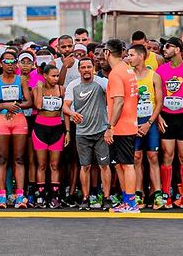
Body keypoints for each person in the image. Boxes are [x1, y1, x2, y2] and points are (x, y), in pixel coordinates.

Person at [64, 57, 112, 210]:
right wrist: (72, 113)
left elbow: (114, 97)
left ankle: (106, 197)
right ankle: (85, 198)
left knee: (104, 165)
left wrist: (110, 124)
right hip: (82, 133)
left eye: (88, 67)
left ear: (93, 68)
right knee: (85, 166)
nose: (86, 70)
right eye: (83, 67)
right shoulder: (73, 85)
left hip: (101, 132)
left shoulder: (102, 82)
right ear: (79, 70)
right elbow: (65, 106)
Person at [0, 48, 32, 208]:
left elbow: (29, 101)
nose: (10, 65)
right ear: (1, 63)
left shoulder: (20, 80)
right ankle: (1, 195)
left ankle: (20, 195)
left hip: (18, 119)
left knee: (19, 158)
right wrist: (5, 105)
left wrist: (15, 105)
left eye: (13, 62)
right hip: (1, 120)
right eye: (6, 61)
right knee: (2, 158)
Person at [155, 37, 183, 208]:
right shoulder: (161, 70)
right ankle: (166, 194)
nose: (164, 49)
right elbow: (157, 97)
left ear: (177, 49)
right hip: (166, 117)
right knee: (167, 156)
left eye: (168, 46)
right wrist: (158, 116)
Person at [105, 39, 140, 213]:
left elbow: (118, 101)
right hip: (128, 122)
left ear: (107, 53)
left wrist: (110, 126)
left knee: (127, 164)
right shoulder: (128, 69)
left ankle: (132, 203)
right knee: (120, 164)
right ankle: (127, 200)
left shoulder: (116, 73)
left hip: (122, 126)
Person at [128, 44, 165, 208]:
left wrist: (150, 122)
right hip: (133, 123)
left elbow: (159, 103)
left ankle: (157, 193)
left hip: (150, 122)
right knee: (136, 158)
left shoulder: (154, 76)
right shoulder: (128, 76)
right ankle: (138, 193)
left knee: (153, 157)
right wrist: (133, 123)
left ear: (141, 56)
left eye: (131, 55)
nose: (128, 58)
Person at [31, 63, 69, 208]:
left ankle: (54, 196)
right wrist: (40, 88)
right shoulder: (37, 89)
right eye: (53, 76)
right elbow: (39, 106)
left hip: (57, 128)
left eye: (57, 75)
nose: (56, 78)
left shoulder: (61, 89)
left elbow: (64, 112)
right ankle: (40, 196)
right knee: (41, 164)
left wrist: (68, 132)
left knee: (54, 165)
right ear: (45, 76)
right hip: (40, 128)